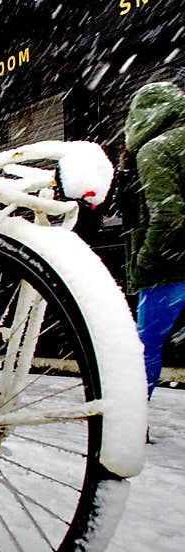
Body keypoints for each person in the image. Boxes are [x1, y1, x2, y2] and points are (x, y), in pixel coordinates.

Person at [122, 80, 185, 399]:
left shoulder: (156, 149)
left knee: (144, 347)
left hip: (169, 270)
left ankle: (132, 420)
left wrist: (145, 261)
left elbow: (166, 214)